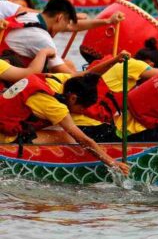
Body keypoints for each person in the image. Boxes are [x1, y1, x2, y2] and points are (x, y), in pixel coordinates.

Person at [0, 72, 129, 174]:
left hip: (7, 122)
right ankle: (73, 166)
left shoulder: (57, 79)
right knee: (65, 136)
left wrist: (115, 60)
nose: (82, 112)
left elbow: (87, 74)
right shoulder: (54, 106)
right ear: (73, 98)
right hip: (4, 136)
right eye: (83, 108)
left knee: (58, 125)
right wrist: (112, 163)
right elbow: (84, 140)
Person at [0, 0, 79, 73]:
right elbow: (69, 75)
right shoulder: (43, 38)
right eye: (67, 23)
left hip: (6, 59)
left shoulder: (26, 15)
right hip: (9, 70)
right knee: (69, 67)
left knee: (68, 64)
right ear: (60, 18)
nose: (64, 29)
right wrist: (89, 72)